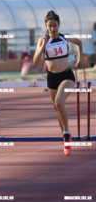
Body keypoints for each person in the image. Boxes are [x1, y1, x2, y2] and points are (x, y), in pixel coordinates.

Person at [33, 10, 83, 156]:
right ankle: (66, 140)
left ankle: (67, 133)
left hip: (67, 76)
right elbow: (35, 62)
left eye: (55, 25)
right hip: (52, 78)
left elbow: (79, 42)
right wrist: (43, 46)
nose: (52, 29)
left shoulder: (64, 37)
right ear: (46, 26)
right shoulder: (42, 40)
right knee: (57, 107)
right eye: (49, 26)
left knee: (59, 103)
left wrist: (80, 59)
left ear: (59, 25)